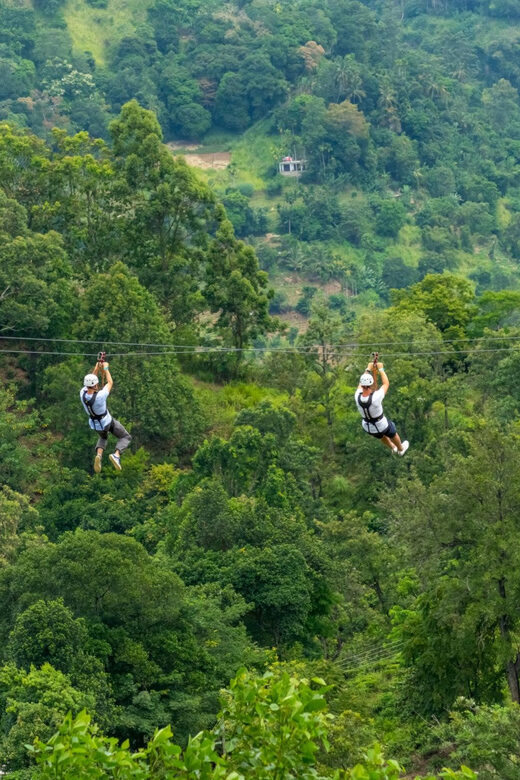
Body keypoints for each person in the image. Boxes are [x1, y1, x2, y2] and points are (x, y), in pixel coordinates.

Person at [80, 359, 131, 473]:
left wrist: (97, 368)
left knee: (103, 437)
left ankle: (99, 455)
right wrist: (106, 368)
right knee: (125, 437)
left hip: (95, 425)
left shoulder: (82, 393)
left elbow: (91, 381)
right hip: (106, 422)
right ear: (96, 385)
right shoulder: (100, 396)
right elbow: (110, 382)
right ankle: (116, 455)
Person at [354, 360, 409, 456]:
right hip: (381, 424)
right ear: (371, 385)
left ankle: (392, 447)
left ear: (362, 385)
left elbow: (361, 383)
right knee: (392, 432)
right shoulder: (376, 397)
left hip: (368, 427)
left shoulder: (357, 396)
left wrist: (368, 369)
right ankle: (400, 449)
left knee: (380, 435)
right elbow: (386, 384)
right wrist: (381, 369)